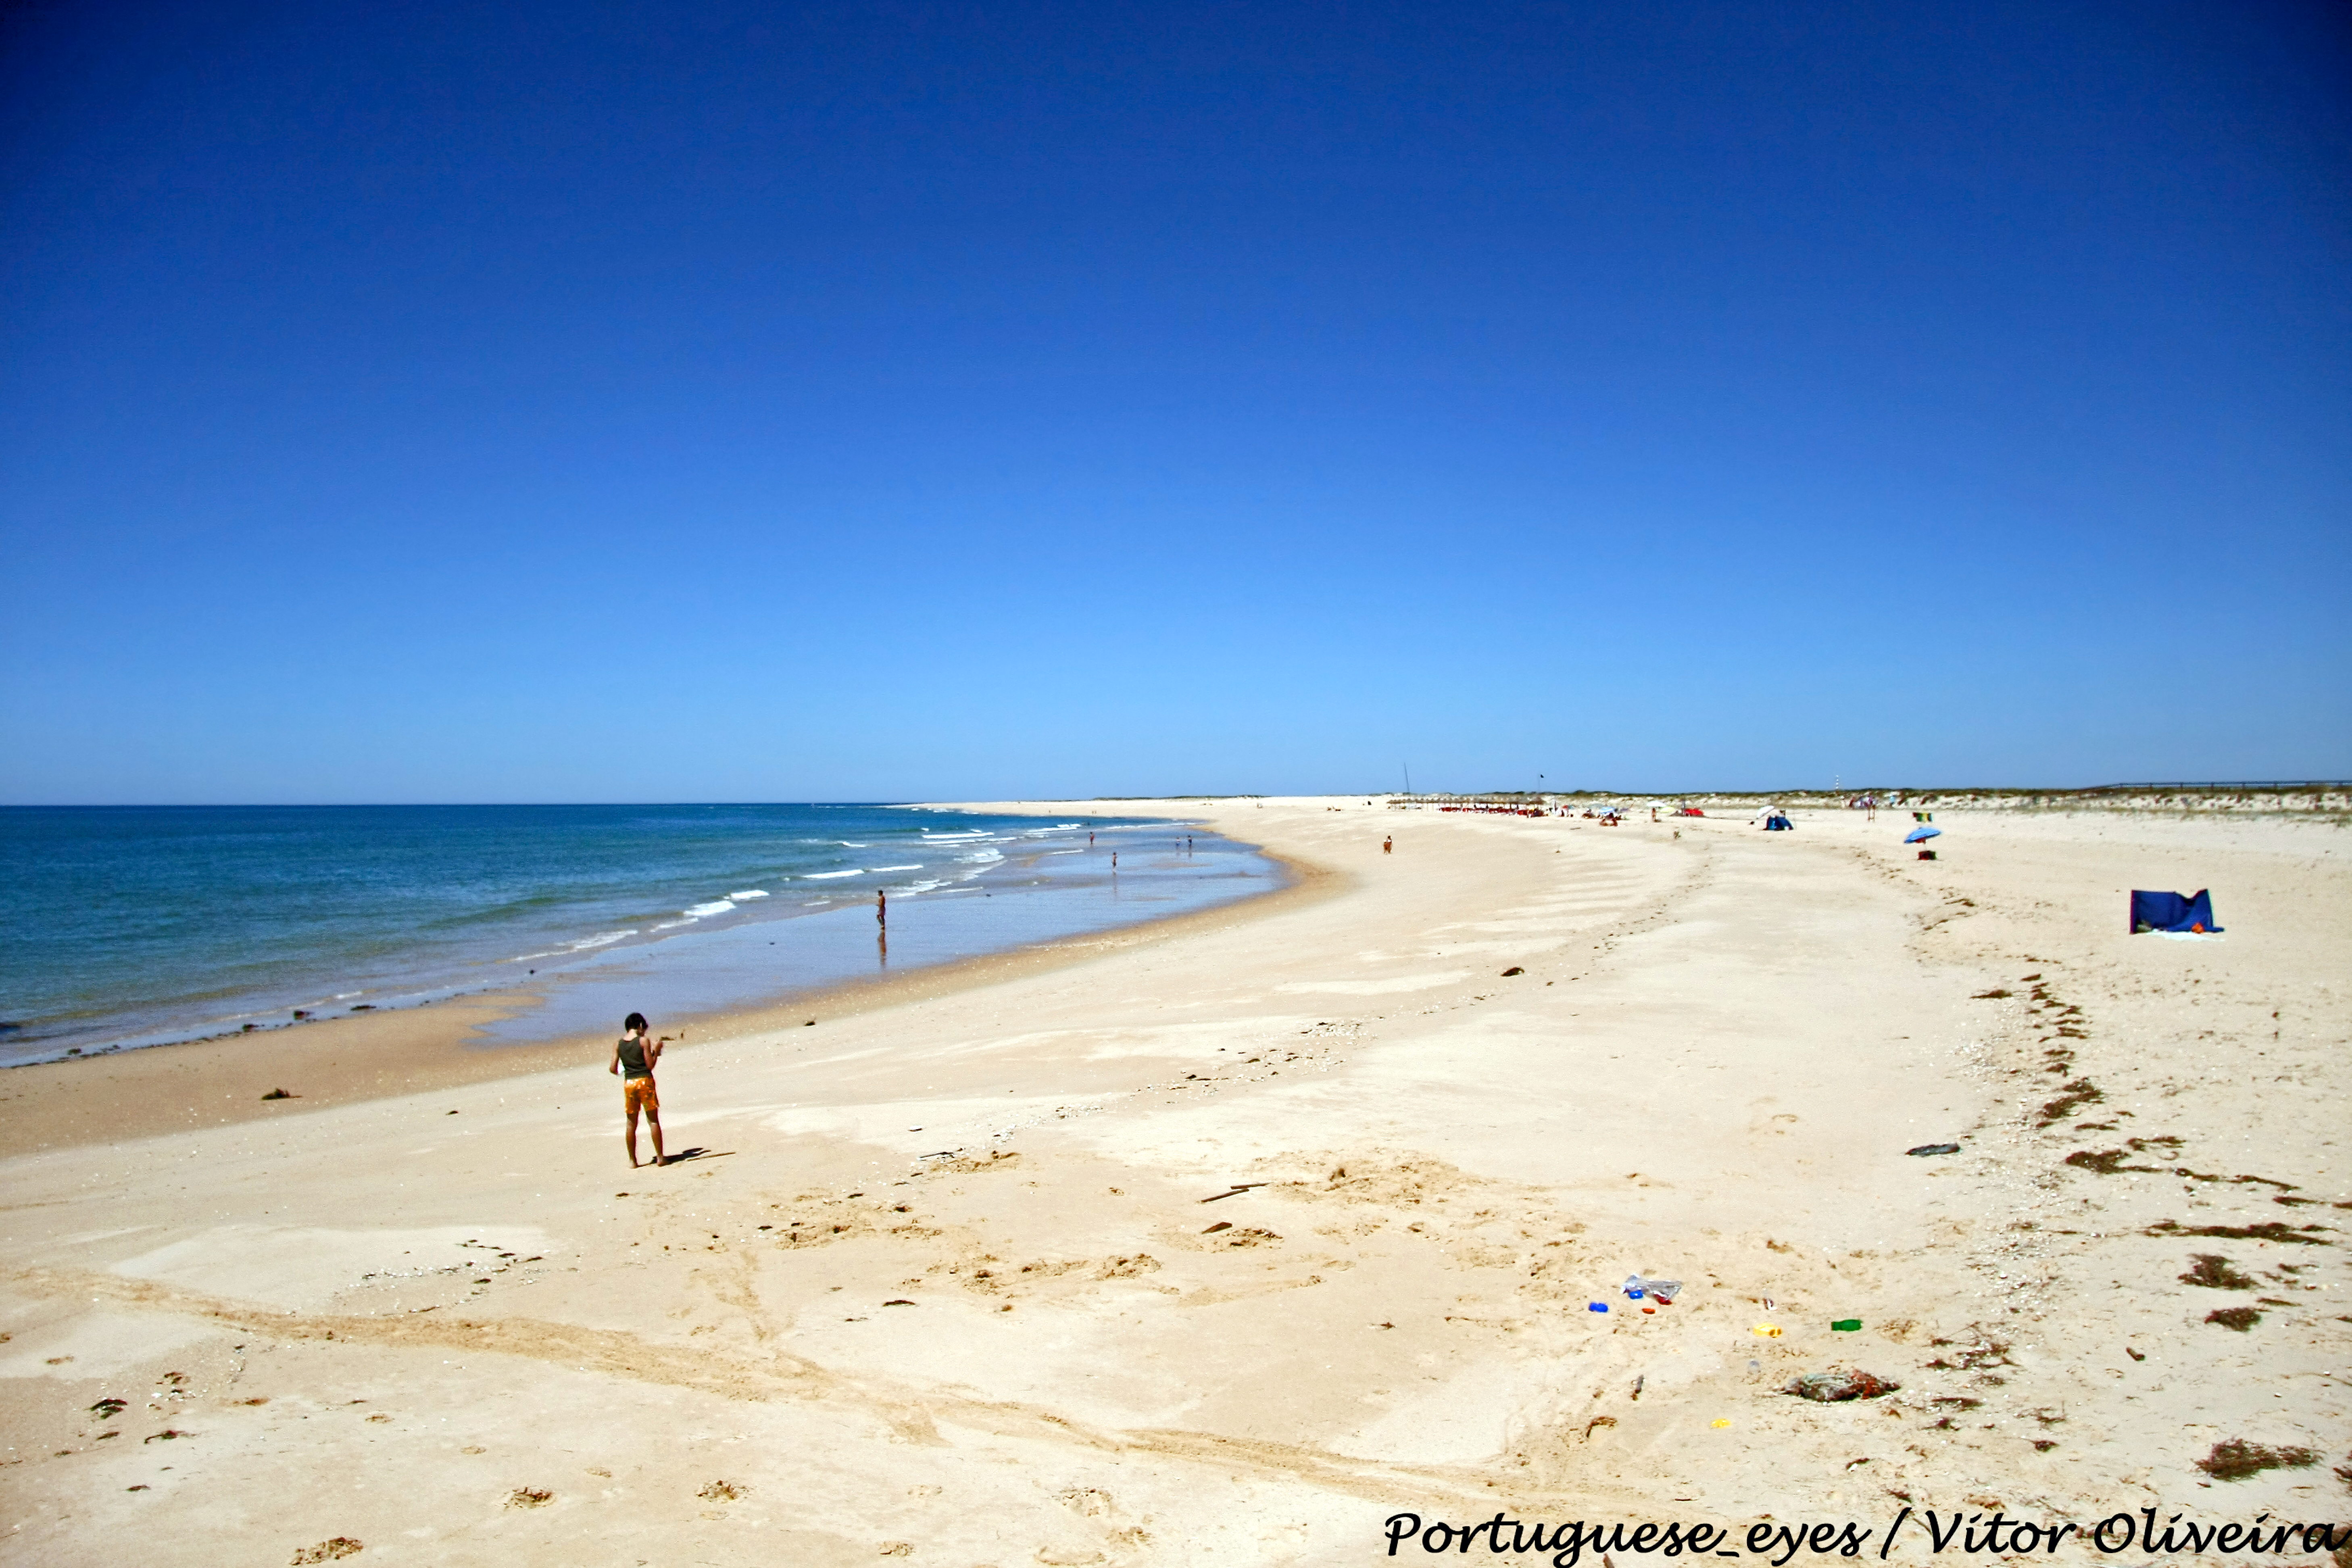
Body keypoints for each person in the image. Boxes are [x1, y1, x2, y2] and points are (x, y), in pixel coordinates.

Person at [609, 1011, 667, 1168]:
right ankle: (661, 1158)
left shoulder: (618, 1044)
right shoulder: (643, 1041)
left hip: (629, 1083)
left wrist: (627, 1067)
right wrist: (656, 1051)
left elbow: (613, 1069)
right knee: (653, 1120)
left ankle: (633, 1161)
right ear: (640, 1026)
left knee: (631, 1123)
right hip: (645, 1081)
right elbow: (650, 1065)